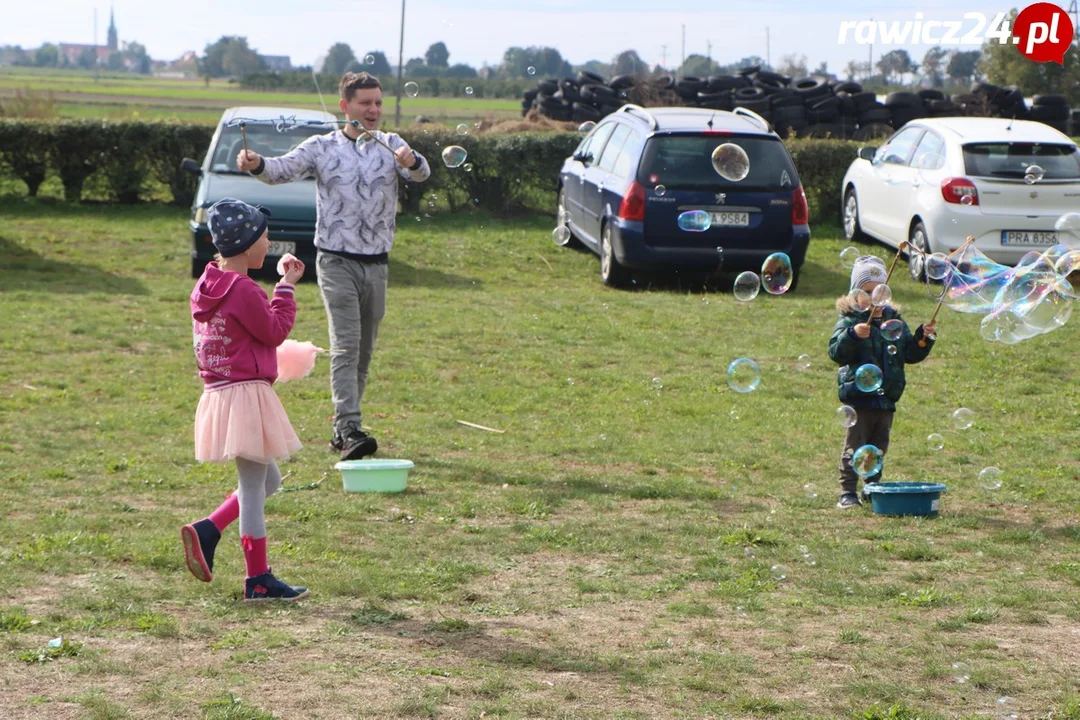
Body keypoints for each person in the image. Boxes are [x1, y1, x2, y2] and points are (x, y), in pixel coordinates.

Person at [237, 71, 431, 461]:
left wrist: (413, 161)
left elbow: (421, 174)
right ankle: (349, 425)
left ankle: (345, 429)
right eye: (365, 103)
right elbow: (279, 171)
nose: (373, 109)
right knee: (345, 346)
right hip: (336, 262)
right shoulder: (321, 147)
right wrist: (257, 162)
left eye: (378, 102)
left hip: (376, 265)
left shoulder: (392, 144)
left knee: (363, 351)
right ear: (345, 106)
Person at [181, 197, 309, 602]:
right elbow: (274, 331)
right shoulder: (244, 289)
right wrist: (285, 287)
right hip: (245, 396)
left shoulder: (206, 285)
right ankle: (258, 579)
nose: (268, 244)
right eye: (265, 238)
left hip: (220, 392)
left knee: (268, 480)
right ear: (249, 244)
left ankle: (210, 528)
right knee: (254, 486)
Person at [828, 256, 937, 509]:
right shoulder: (849, 321)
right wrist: (852, 336)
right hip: (859, 396)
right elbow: (835, 353)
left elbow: (910, 353)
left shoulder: (894, 319)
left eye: (879, 292)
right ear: (855, 294)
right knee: (854, 445)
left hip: (886, 396)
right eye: (867, 293)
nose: (874, 298)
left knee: (878, 447)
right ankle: (847, 492)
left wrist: (923, 339)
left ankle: (872, 487)